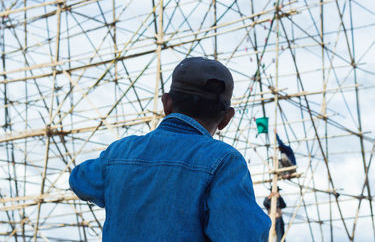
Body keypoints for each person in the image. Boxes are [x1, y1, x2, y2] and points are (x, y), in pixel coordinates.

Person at [69, 57, 271, 241]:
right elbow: (243, 236)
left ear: (166, 103)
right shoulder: (223, 161)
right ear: (226, 119)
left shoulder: (120, 152)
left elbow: (79, 179)